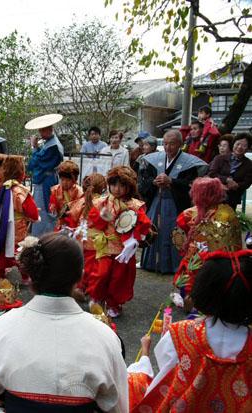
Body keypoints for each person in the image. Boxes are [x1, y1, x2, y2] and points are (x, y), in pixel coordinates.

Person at [0, 233, 128, 412]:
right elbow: (118, 407)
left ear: (31, 275)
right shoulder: (105, 337)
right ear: (80, 278)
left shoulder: (3, 327)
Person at [127, 250, 252, 412]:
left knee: (134, 381)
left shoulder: (182, 332)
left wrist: (145, 353)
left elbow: (165, 369)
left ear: (204, 290)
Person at [86, 166, 152, 318]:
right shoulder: (101, 202)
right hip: (104, 246)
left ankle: (114, 303)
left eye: (122, 185)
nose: (117, 189)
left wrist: (134, 239)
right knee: (100, 274)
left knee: (119, 278)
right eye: (114, 184)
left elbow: (143, 224)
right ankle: (97, 297)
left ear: (129, 187)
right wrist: (102, 217)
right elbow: (93, 222)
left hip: (124, 249)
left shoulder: (135, 205)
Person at [138, 130, 207, 274]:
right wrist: (154, 182)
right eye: (165, 144)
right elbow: (144, 182)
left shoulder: (189, 163)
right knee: (153, 230)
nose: (168, 147)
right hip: (156, 202)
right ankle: (150, 263)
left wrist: (172, 181)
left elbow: (191, 184)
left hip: (175, 205)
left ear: (181, 145)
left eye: (172, 144)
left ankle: (173, 265)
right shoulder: (153, 159)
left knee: (174, 231)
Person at [172, 177, 241, 302]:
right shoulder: (227, 213)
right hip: (217, 263)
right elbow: (234, 246)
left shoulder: (187, 214)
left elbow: (179, 239)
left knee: (192, 283)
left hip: (194, 260)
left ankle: (190, 299)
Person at [0, 155, 39, 285]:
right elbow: (32, 212)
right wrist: (34, 217)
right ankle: (25, 277)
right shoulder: (20, 191)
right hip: (17, 229)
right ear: (21, 172)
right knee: (20, 252)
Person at [66, 173, 107, 299]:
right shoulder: (103, 202)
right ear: (103, 188)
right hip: (96, 239)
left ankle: (79, 286)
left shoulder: (81, 201)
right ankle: (88, 289)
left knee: (81, 263)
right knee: (93, 266)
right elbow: (107, 219)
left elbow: (72, 216)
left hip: (80, 236)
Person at [25, 114, 65, 236]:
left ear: (50, 129)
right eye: (40, 130)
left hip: (46, 180)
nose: (41, 133)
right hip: (44, 179)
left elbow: (36, 163)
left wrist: (34, 147)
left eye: (43, 129)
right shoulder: (48, 143)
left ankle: (45, 236)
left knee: (45, 209)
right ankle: (42, 235)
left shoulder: (53, 146)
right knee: (42, 207)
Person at [208, 132, 252, 209]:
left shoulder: (249, 164)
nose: (239, 147)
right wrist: (227, 180)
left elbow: (247, 183)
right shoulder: (219, 158)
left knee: (227, 219)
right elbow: (212, 174)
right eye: (237, 144)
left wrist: (236, 185)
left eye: (244, 145)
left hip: (232, 199)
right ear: (233, 144)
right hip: (214, 196)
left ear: (248, 148)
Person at [48, 160, 83, 230]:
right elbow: (52, 204)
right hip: (60, 224)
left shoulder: (80, 192)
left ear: (74, 180)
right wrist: (53, 207)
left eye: (68, 180)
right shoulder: (55, 190)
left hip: (74, 225)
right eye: (62, 179)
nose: (64, 182)